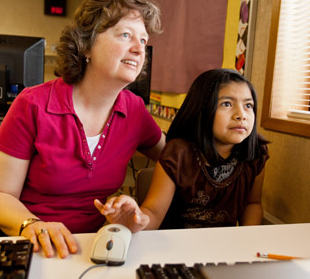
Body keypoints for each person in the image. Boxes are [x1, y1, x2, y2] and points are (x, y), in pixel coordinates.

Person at [0, 0, 165, 259]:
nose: (140, 49)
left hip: (81, 246)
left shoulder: (135, 110)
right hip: (12, 234)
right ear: (86, 46)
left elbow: (174, 158)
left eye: (143, 40)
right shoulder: (33, 104)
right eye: (125, 35)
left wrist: (142, 211)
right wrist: (32, 225)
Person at [95, 69, 269, 231]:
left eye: (248, 106)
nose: (241, 114)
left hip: (222, 248)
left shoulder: (255, 152)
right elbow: (153, 212)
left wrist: (248, 238)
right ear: (202, 109)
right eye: (226, 104)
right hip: (174, 248)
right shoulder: (178, 153)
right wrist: (137, 219)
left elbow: (252, 204)